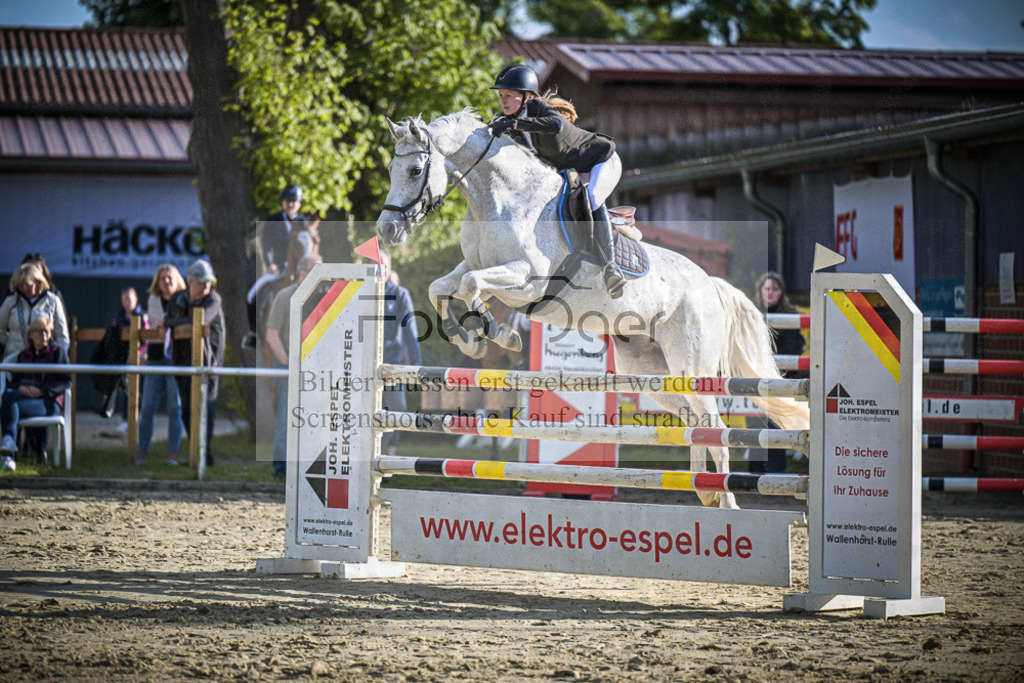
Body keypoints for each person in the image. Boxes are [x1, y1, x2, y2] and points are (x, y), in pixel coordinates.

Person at [489, 63, 626, 298]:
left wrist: (515, 124)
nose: (503, 101)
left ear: (526, 97)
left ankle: (611, 267)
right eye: (501, 95)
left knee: (593, 197)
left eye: (509, 95)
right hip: (574, 171)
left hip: (602, 159)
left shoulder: (538, 109)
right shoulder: (509, 121)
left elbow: (556, 125)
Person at [265, 253, 323, 478]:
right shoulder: (284, 296)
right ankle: (281, 469)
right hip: (288, 362)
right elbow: (272, 334)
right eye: (316, 271)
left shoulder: (324, 299)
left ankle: (309, 468)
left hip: (317, 366)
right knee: (285, 419)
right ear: (302, 273)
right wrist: (288, 363)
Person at [163, 260, 224, 467]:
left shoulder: (213, 299)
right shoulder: (177, 299)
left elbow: (200, 321)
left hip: (209, 362)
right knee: (187, 409)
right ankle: (196, 451)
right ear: (190, 281)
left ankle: (205, 455)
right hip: (182, 361)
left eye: (209, 282)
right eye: (203, 282)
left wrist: (170, 323)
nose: (207, 286)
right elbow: (169, 320)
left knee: (206, 408)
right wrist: (171, 322)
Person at [747, 271, 806, 474]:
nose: (770, 293)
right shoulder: (751, 313)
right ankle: (754, 476)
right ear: (760, 291)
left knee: (775, 432)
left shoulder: (790, 315)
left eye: (775, 289)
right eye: (767, 289)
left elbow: (793, 349)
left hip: (780, 383)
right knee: (754, 432)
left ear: (781, 292)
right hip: (754, 383)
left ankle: (776, 477)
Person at [0, 317, 71, 470]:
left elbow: (66, 382)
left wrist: (42, 392)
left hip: (49, 401)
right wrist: (20, 387)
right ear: (31, 334)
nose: (44, 335)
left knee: (9, 406)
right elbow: (14, 381)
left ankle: (9, 455)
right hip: (24, 397)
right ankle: (9, 444)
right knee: (9, 396)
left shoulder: (57, 353)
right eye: (40, 331)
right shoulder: (24, 355)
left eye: (47, 331)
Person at [137, 265, 187, 466]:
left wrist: (169, 324)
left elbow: (178, 324)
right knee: (147, 407)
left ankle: (172, 455)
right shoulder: (153, 299)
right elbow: (156, 325)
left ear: (177, 279)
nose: (166, 281)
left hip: (176, 359)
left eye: (169, 277)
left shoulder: (185, 298)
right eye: (162, 278)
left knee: (175, 408)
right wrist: (171, 322)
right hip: (156, 358)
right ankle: (142, 453)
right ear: (157, 282)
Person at [378, 251, 422, 456]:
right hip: (363, 363)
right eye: (375, 264)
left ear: (389, 268)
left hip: (391, 361)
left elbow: (410, 328)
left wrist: (417, 362)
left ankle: (387, 451)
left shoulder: (400, 294)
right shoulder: (357, 292)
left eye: (383, 265)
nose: (380, 268)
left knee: (398, 409)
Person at [0, 263, 70, 358]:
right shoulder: (10, 302)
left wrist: (59, 357)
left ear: (38, 282)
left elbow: (62, 336)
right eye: (21, 285)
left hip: (46, 360)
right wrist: (13, 342)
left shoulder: (53, 301)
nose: (24, 288)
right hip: (15, 359)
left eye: (28, 285)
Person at [261, 184, 319, 277]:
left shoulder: (306, 222)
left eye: (293, 201)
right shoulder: (272, 220)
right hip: (279, 268)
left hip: (302, 269)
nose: (290, 204)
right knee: (258, 286)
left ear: (299, 203)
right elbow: (266, 245)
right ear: (282, 202)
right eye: (287, 201)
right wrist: (270, 264)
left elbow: (313, 245)